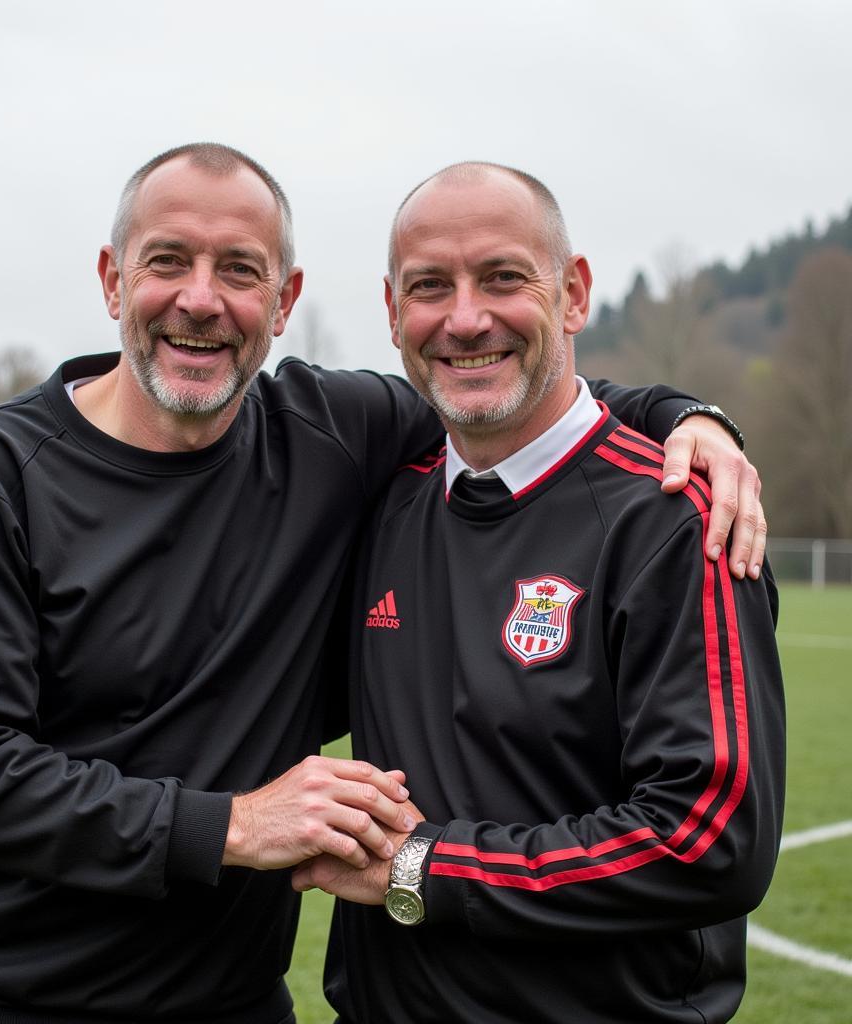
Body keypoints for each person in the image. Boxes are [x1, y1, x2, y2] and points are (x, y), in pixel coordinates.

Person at [0, 143, 766, 1024]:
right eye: (167, 262)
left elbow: (524, 391)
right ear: (112, 281)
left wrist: (688, 418)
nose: (200, 298)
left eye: (239, 269)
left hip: (227, 1001)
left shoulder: (338, 438)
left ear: (283, 299)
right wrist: (235, 827)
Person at [292, 162, 786, 1023]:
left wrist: (426, 868)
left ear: (573, 293)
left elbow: (708, 842)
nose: (466, 318)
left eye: (504, 278)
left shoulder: (672, 520)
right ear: (392, 311)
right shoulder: (381, 500)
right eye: (430, 287)